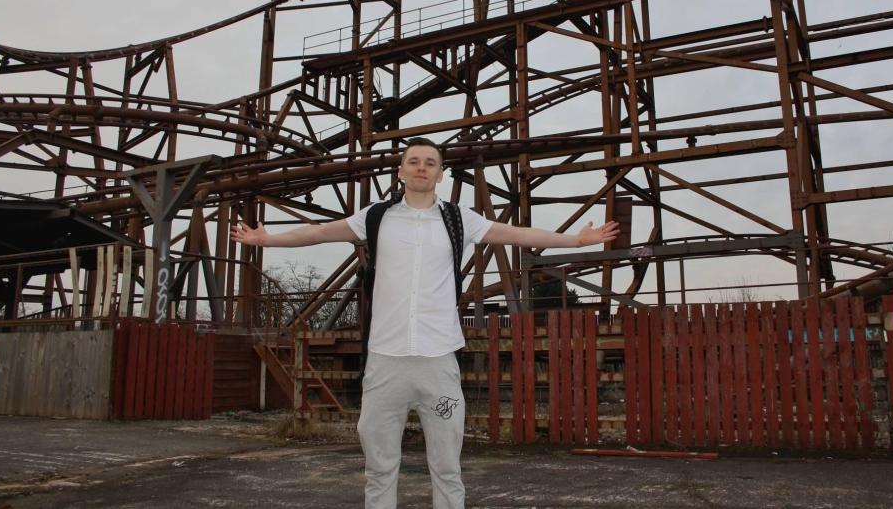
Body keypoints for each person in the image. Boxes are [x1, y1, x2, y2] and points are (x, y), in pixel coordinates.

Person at [231, 137, 618, 509]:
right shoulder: (376, 217)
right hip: (385, 362)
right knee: (379, 468)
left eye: (430, 163)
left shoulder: (458, 219)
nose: (421, 168)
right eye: (414, 162)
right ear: (401, 171)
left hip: (438, 363)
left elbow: (517, 233)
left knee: (447, 468)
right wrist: (269, 240)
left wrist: (575, 241)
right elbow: (317, 232)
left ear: (441, 174)